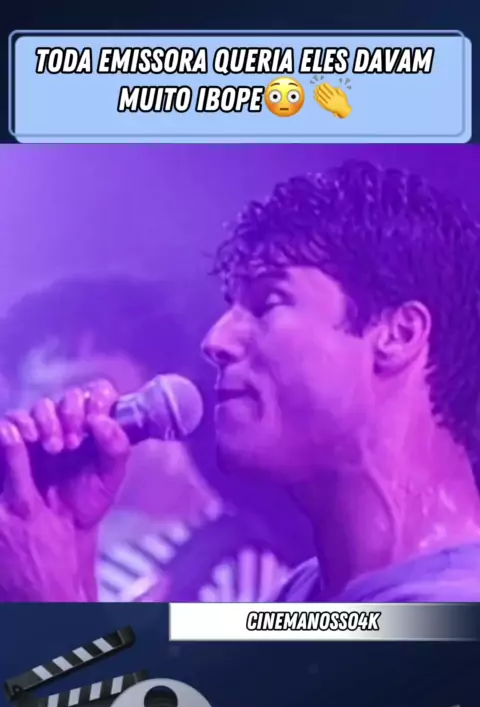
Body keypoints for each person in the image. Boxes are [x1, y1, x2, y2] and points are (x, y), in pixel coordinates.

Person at [4, 158, 480, 603]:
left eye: (268, 302)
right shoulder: (302, 595)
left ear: (399, 334)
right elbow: (124, 675)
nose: (216, 339)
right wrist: (70, 559)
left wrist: (49, 602)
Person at [0, 275, 292, 602]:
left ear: (163, 400)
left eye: (81, 391)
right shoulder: (22, 545)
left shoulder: (239, 568)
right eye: (40, 395)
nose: (60, 417)